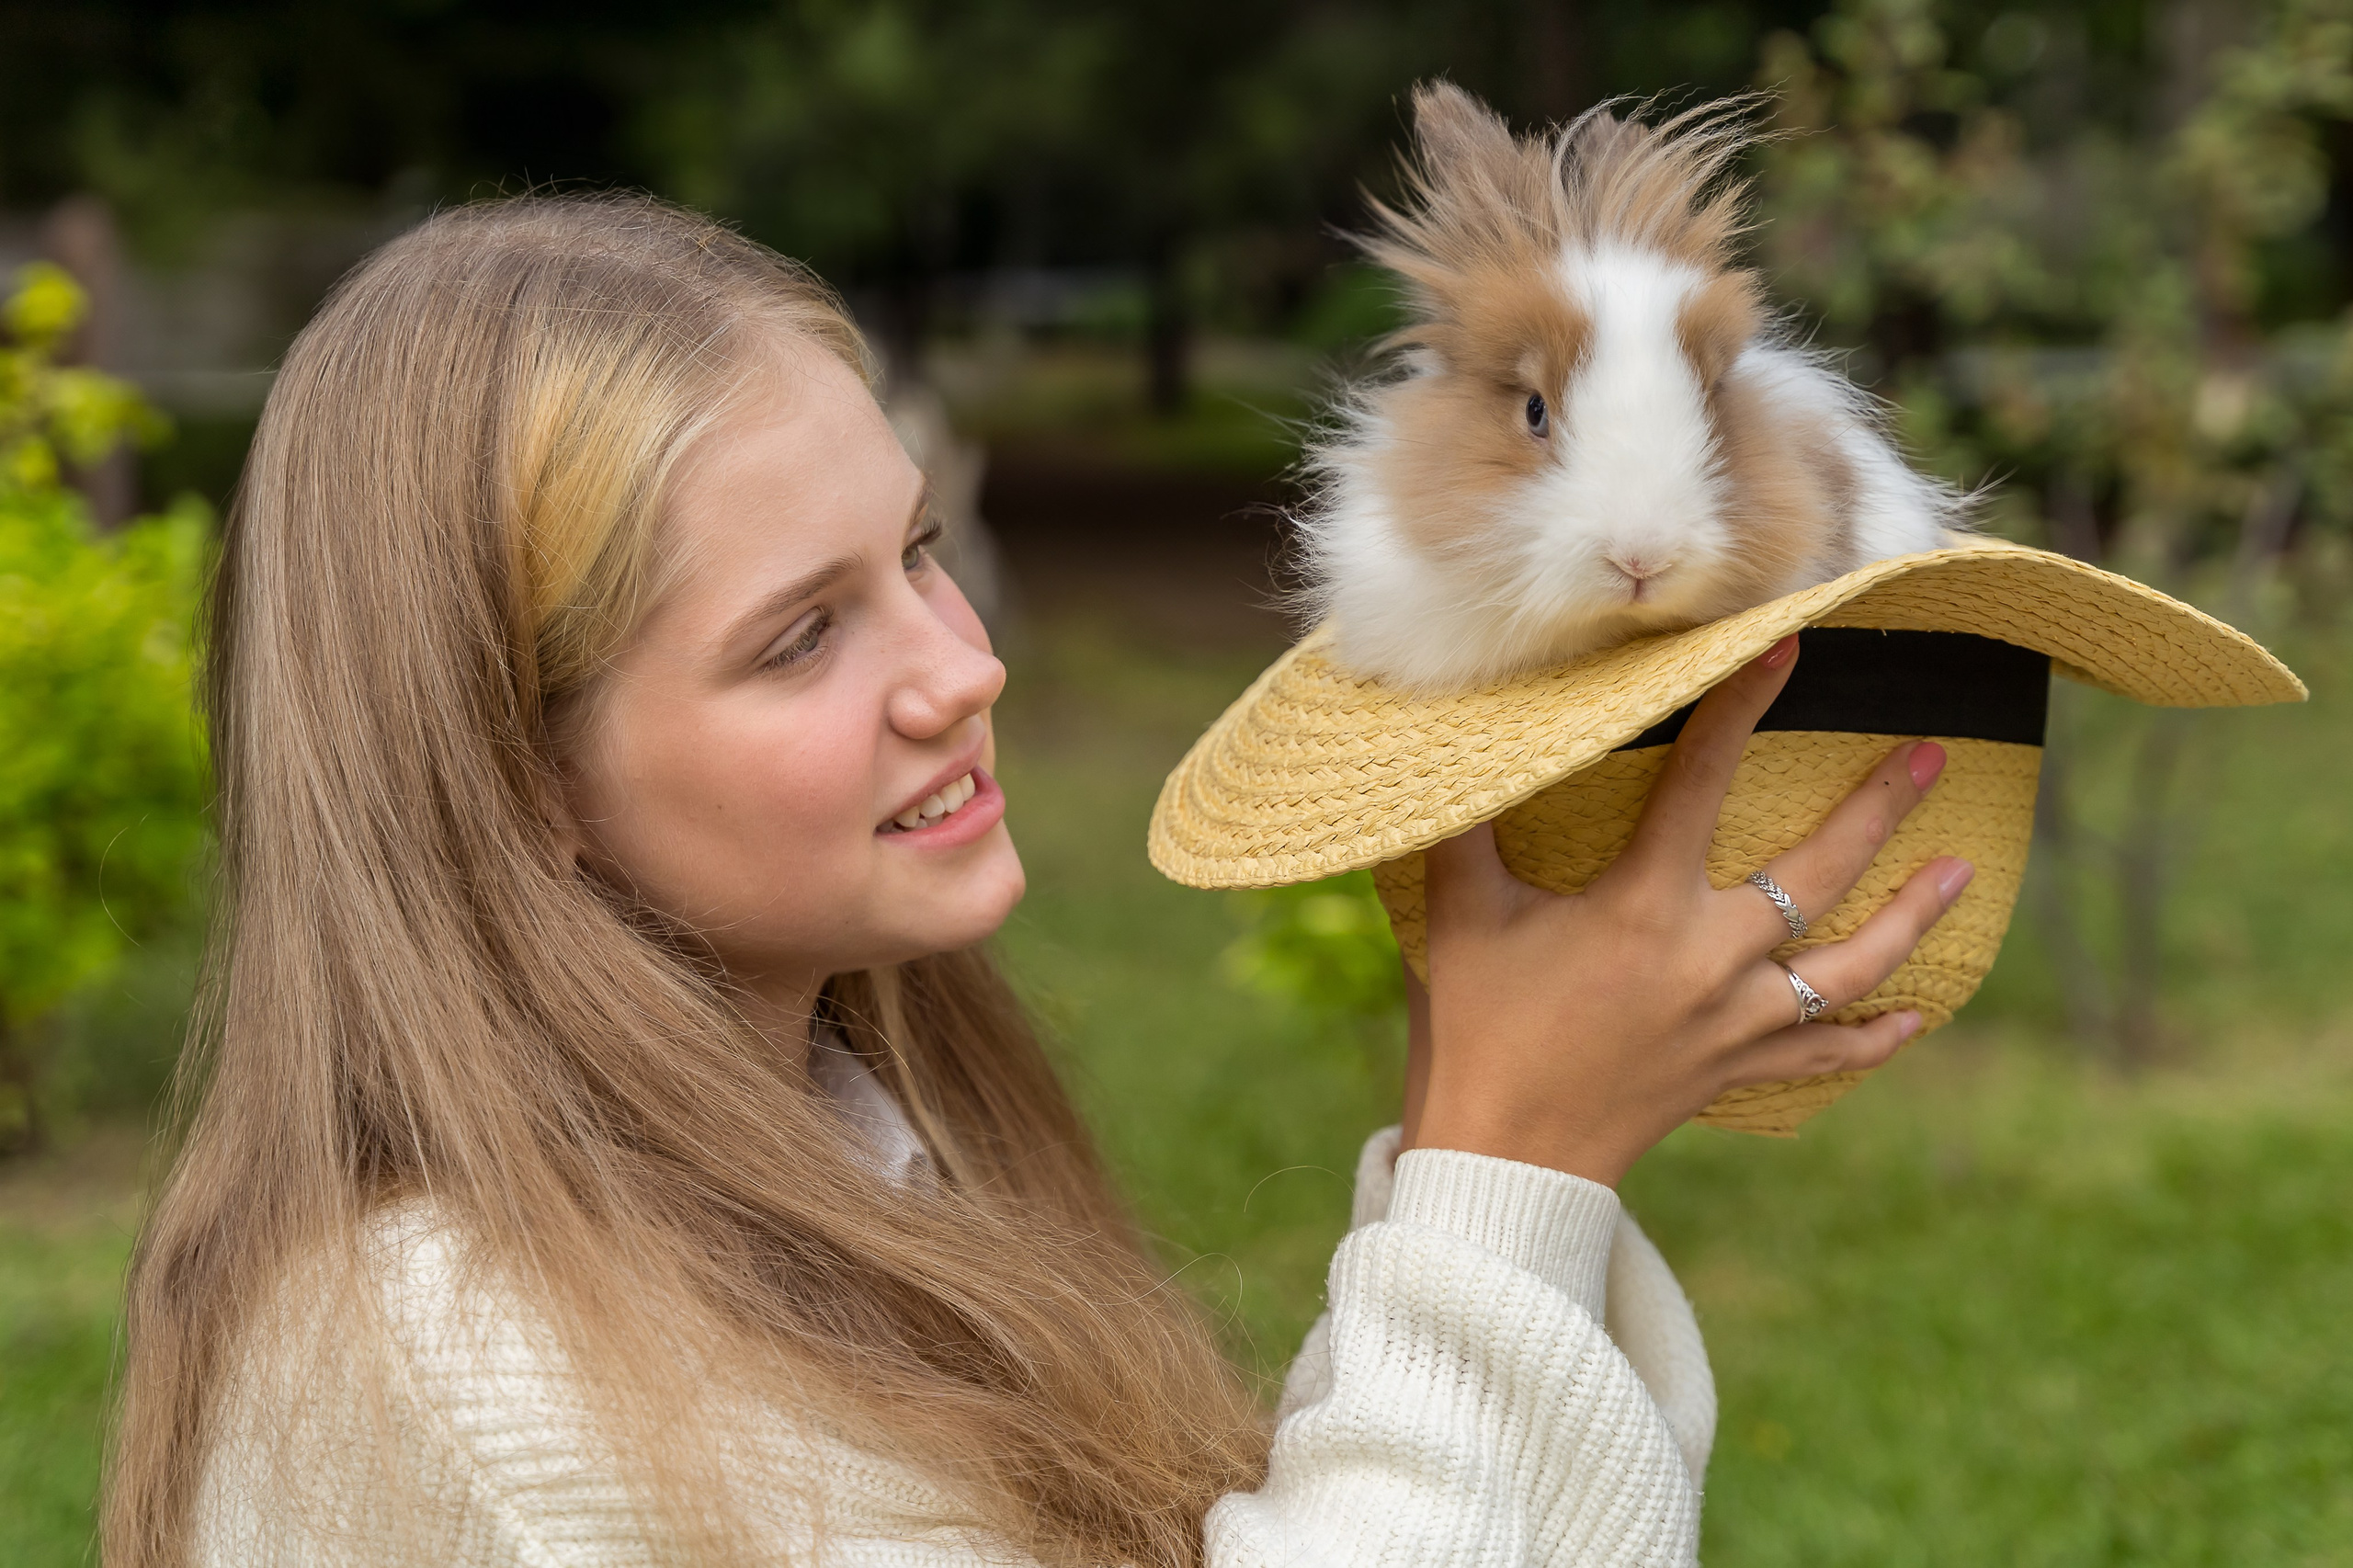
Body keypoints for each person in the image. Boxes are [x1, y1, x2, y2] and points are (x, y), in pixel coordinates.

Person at [104, 195, 1971, 1568]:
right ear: (517, 781)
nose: (961, 666)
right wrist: (1507, 1167)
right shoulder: (466, 1374)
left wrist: (1508, 1138)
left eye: (916, 551)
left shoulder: (834, 1154)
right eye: (797, 638)